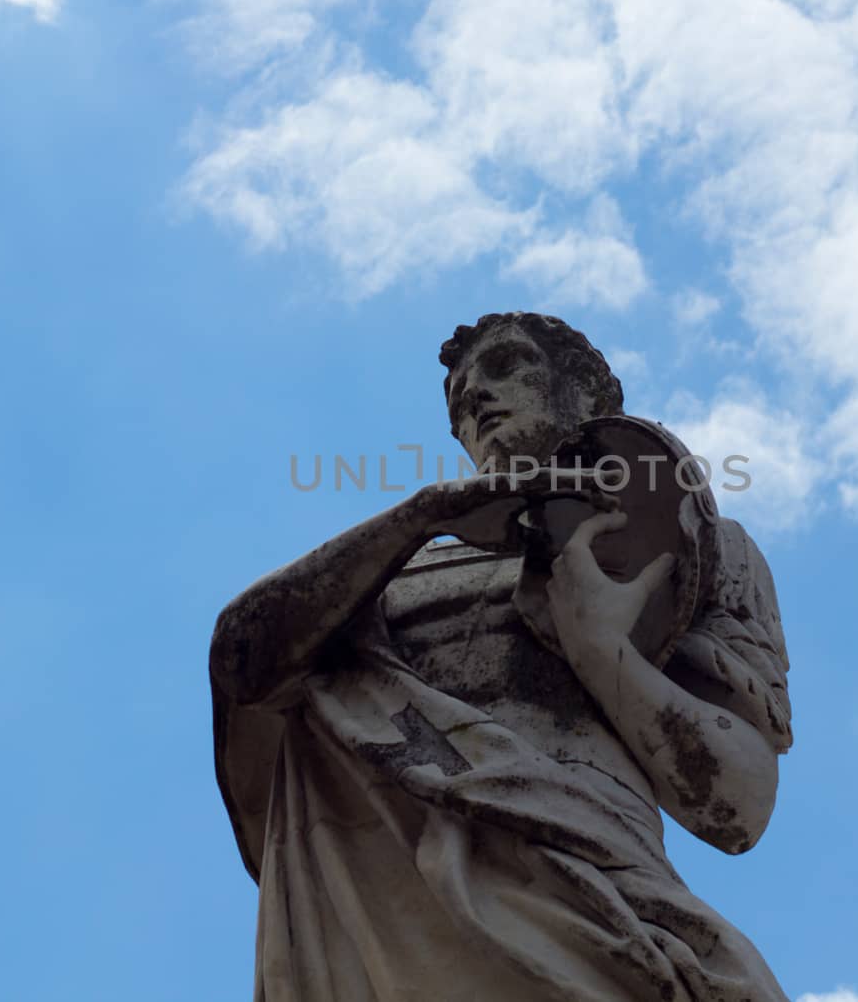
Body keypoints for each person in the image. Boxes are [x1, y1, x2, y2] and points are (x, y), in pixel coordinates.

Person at [211, 312, 793, 1001]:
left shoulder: (684, 544)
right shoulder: (383, 578)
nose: (474, 400)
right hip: (396, 907)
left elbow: (737, 802)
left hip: (597, 903)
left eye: (504, 366)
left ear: (584, 391)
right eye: (457, 401)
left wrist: (603, 651)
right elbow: (246, 658)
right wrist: (424, 514)